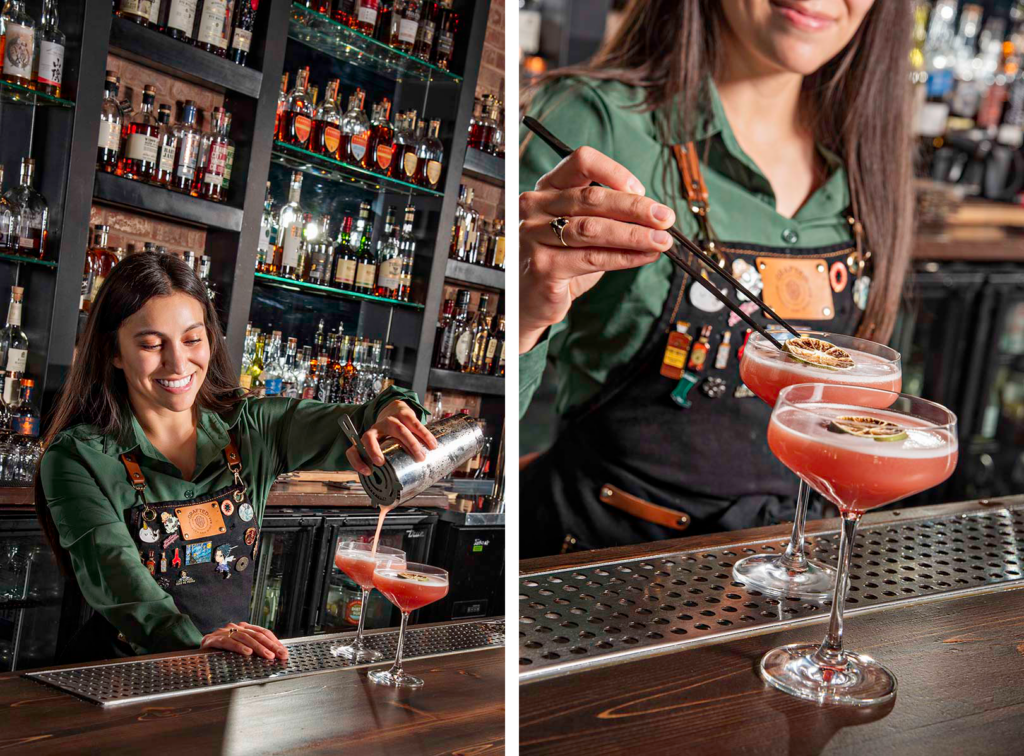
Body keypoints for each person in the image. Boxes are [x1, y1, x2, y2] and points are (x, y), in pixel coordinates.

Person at [519, 0, 913, 557]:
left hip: (792, 573)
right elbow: (480, 410)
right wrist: (521, 312)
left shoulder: (870, 161)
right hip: (598, 571)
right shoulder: (595, 124)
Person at [36, 252, 436, 662]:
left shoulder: (252, 428)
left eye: (192, 339)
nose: (178, 362)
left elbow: (364, 420)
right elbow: (115, 573)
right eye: (152, 344)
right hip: (123, 671)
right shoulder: (77, 457)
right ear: (114, 353)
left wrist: (393, 414)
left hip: (228, 665)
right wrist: (191, 642)